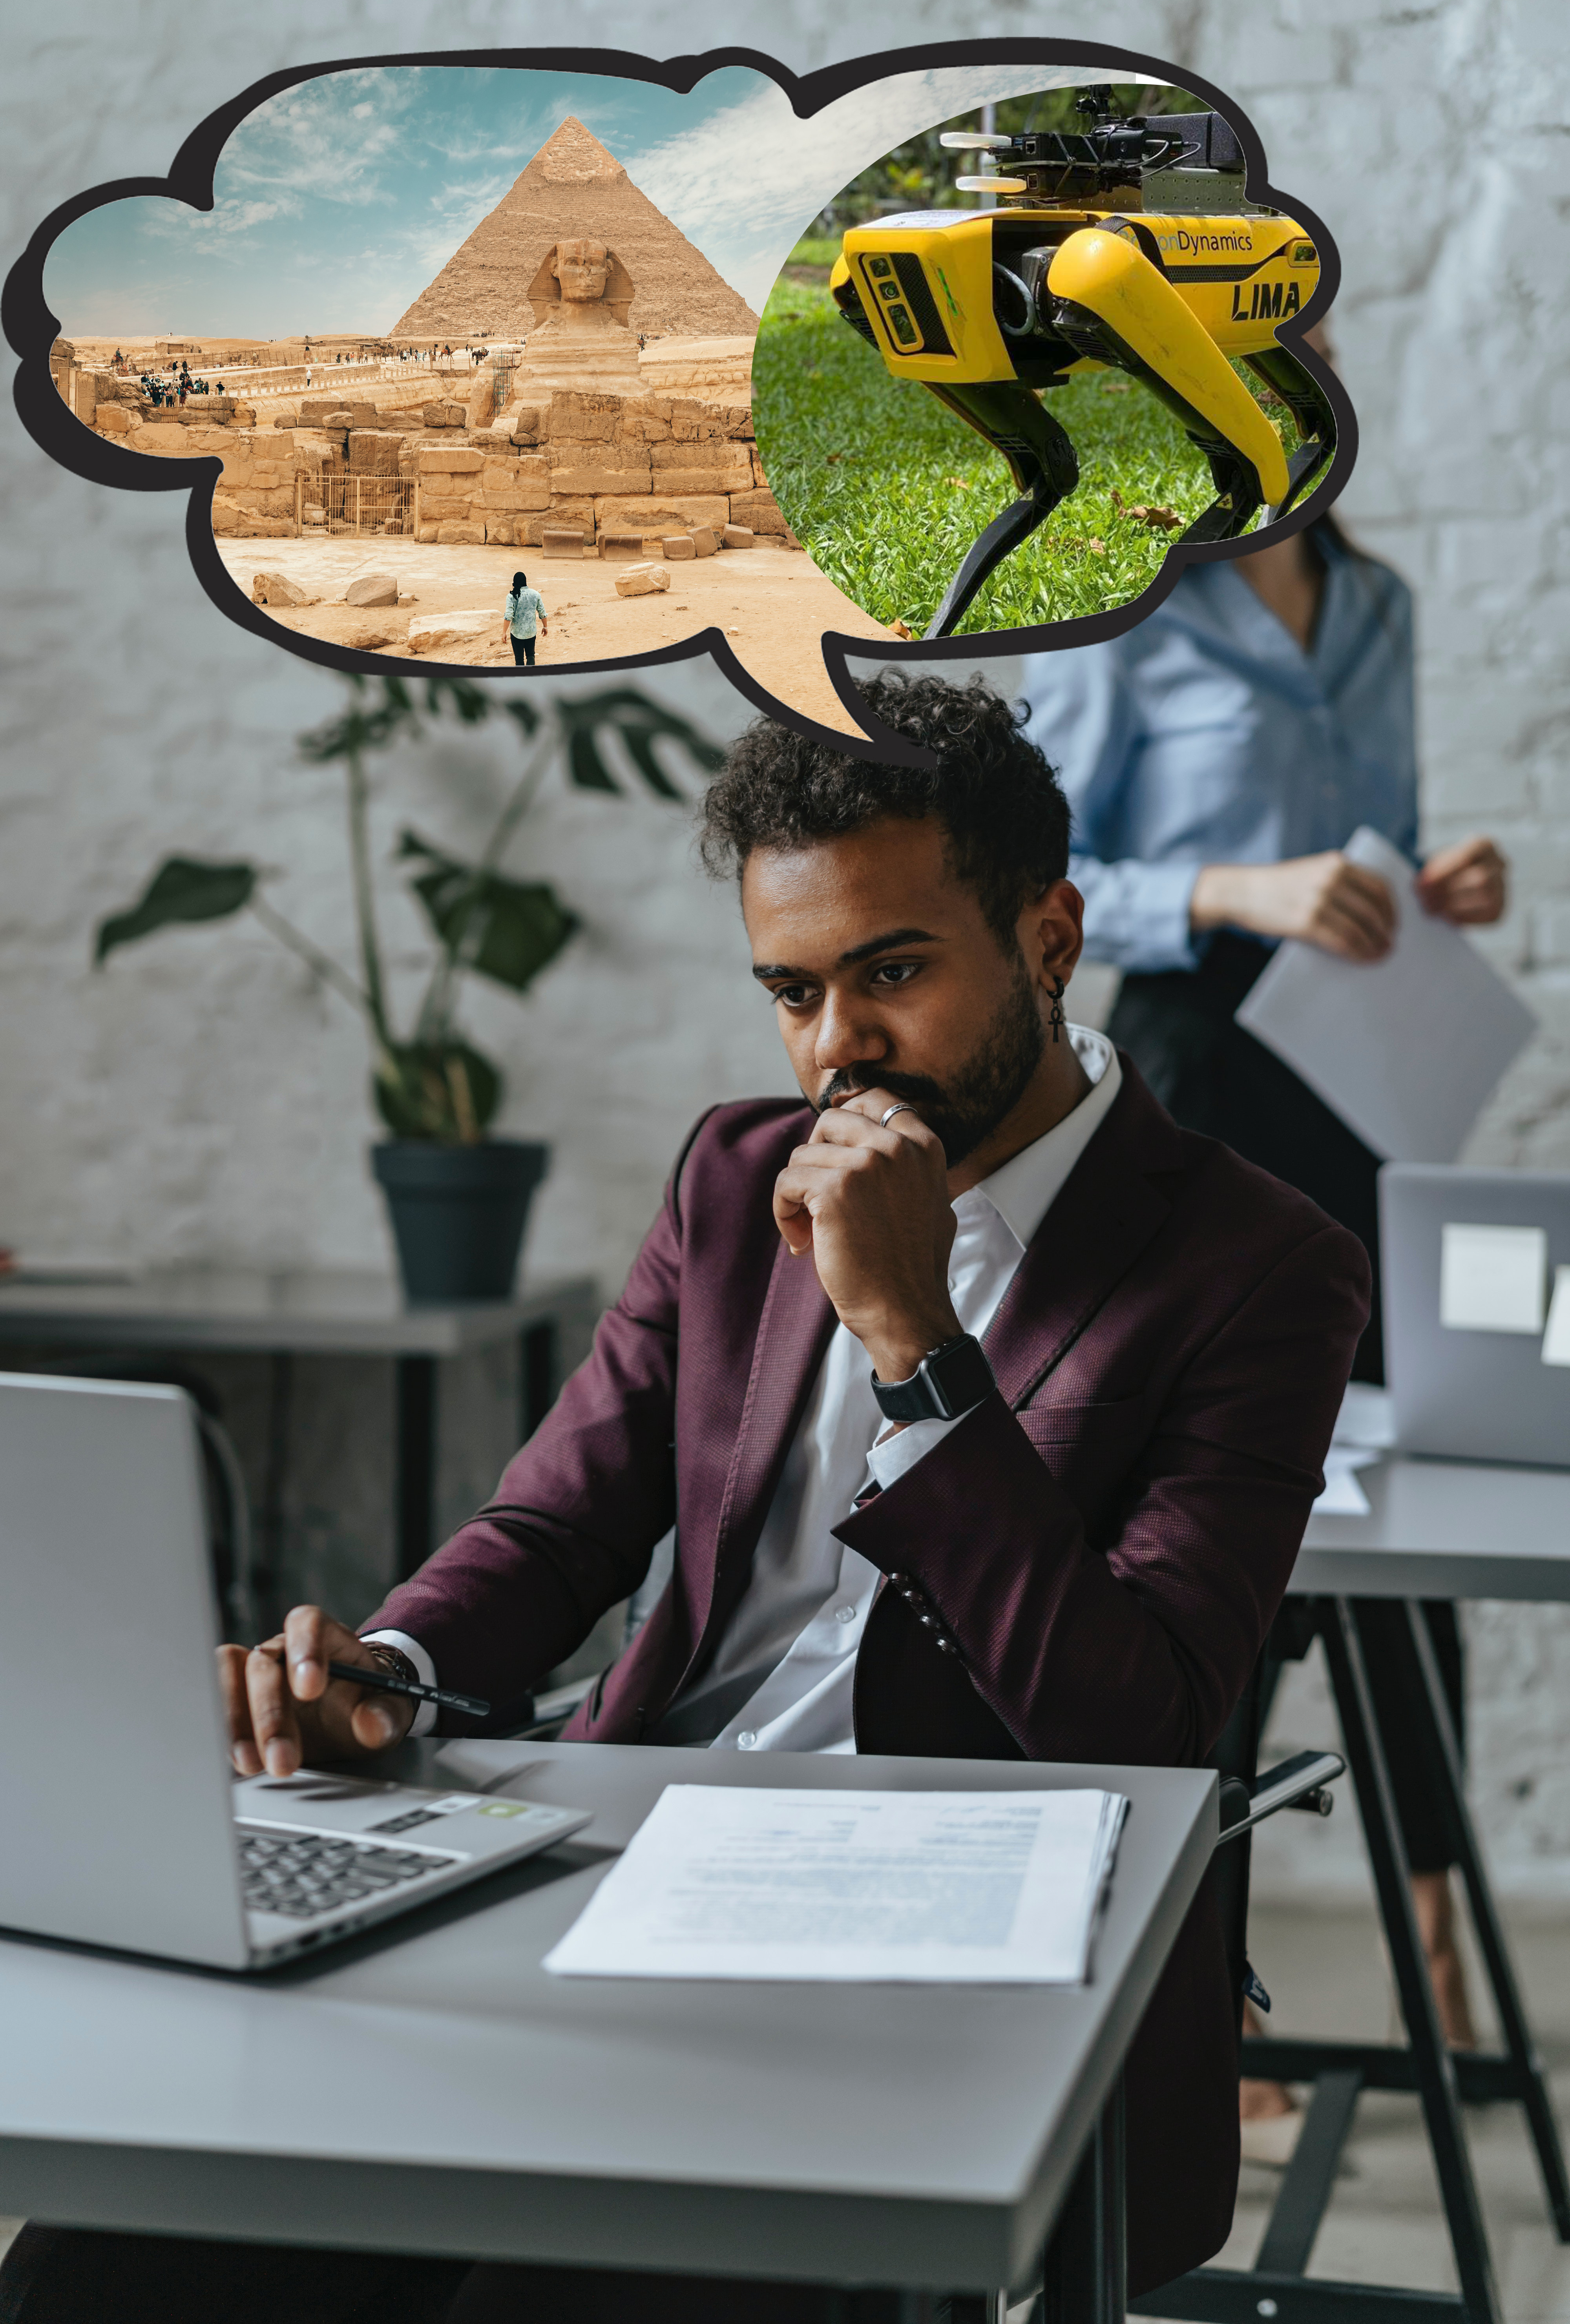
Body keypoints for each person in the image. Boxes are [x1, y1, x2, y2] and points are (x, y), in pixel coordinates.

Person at [0, 675, 1369, 2321]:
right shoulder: (733, 1178)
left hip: (941, 1971)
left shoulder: (1256, 1265)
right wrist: (391, 1665)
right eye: (790, 989)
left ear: (1051, 934)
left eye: (893, 971)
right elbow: (557, 1520)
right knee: (112, 2248)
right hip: (620, 1875)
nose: (833, 1045)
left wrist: (916, 1340)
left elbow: (1140, 1726)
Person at [1020, 478, 1505, 2143]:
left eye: (1307, 351)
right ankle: (1194, 1998)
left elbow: (1372, 848)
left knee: (1404, 1506)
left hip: (1362, 1076)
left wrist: (1427, 879)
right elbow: (1049, 877)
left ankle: (1436, 1944)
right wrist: (1240, 889)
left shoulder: (1377, 607)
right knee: (1205, 1532)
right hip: (1199, 1093)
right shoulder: (1126, 605)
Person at [502, 570, 547, 666]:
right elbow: (542, 612)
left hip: (517, 633)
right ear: (525, 581)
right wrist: (545, 627)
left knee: (519, 659)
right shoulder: (535, 594)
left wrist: (504, 633)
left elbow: (509, 616)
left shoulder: (511, 596)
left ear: (514, 583)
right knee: (531, 655)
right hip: (531, 632)